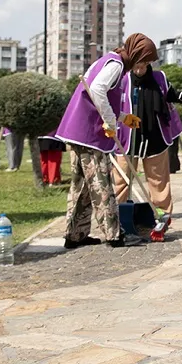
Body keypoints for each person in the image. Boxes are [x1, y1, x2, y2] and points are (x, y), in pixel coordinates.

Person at [55, 33, 157, 249]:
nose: (145, 65)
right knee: (102, 183)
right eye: (145, 60)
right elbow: (98, 90)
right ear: (137, 54)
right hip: (89, 133)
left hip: (78, 130)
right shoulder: (117, 65)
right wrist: (111, 122)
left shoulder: (110, 60)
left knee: (82, 186)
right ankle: (114, 235)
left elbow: (100, 95)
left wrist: (122, 118)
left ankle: (74, 235)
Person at [112, 64, 182, 223]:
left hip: (155, 137)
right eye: (136, 64)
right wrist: (108, 122)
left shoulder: (159, 78)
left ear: (148, 63)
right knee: (121, 179)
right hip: (127, 137)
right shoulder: (121, 78)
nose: (139, 69)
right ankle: (117, 215)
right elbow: (110, 101)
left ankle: (162, 215)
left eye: (142, 65)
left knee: (158, 180)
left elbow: (171, 95)